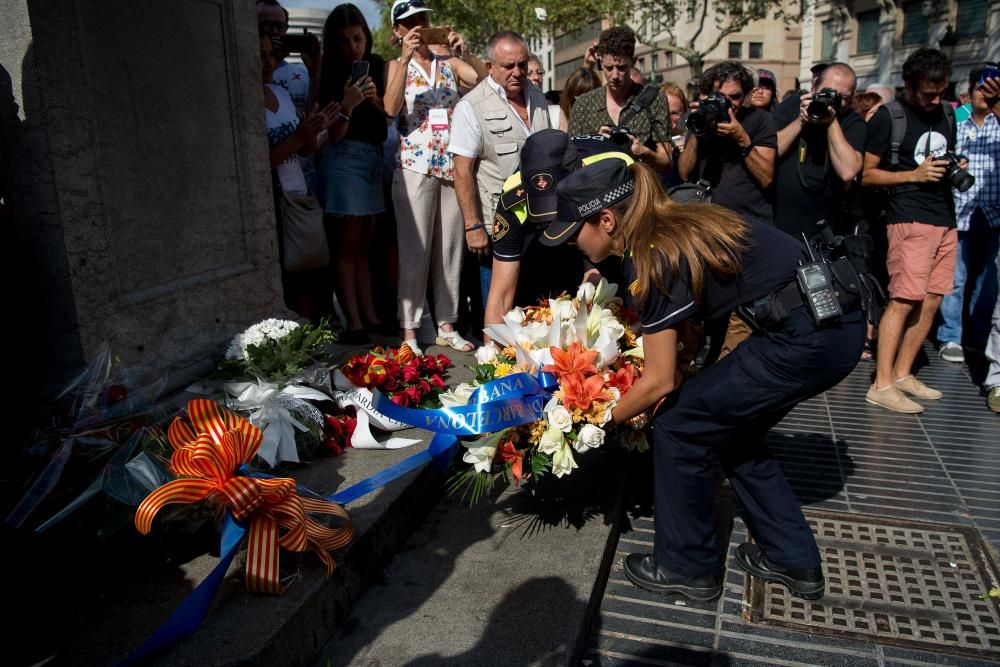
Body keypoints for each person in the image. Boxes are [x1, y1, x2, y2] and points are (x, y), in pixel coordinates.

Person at [539, 157, 864, 601]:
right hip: (830, 323)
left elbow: (659, 382)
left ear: (607, 220)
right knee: (732, 430)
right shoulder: (675, 221)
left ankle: (686, 566)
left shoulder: (653, 257)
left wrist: (594, 420)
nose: (573, 243)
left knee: (679, 425)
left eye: (576, 231)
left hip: (806, 337)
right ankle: (793, 560)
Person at [384, 0, 486, 354]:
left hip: (451, 166)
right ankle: (409, 331)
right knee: (416, 252)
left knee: (450, 250)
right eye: (409, 22)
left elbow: (486, 84)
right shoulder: (394, 66)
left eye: (423, 20)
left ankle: (447, 324)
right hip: (414, 165)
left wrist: (466, 52)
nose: (418, 27)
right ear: (397, 30)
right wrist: (403, 57)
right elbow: (390, 107)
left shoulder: (449, 63)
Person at [862, 48, 959, 413]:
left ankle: (903, 374)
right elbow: (867, 174)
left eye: (941, 92)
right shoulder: (890, 116)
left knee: (933, 298)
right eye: (927, 94)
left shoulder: (948, 113)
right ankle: (881, 383)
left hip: (945, 217)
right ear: (909, 85)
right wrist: (913, 175)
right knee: (903, 299)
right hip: (909, 217)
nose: (935, 100)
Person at [485, 131, 632, 330]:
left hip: (601, 234)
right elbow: (500, 298)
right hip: (540, 248)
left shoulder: (619, 174)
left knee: (609, 305)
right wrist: (493, 355)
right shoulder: (512, 199)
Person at [449, 31, 551, 312]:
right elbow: (462, 172)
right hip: (499, 228)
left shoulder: (539, 99)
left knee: (535, 308)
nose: (517, 72)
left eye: (522, 64)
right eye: (508, 66)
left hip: (540, 224)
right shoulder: (471, 106)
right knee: (498, 312)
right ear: (489, 66)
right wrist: (473, 226)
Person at [316, 3, 387, 344]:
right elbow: (334, 135)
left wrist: (373, 101)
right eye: (344, 41)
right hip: (344, 159)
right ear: (333, 43)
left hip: (373, 159)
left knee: (363, 245)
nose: (353, 47)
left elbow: (387, 122)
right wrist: (347, 103)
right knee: (346, 246)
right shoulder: (328, 72)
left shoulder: (375, 65)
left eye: (357, 38)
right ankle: (354, 321)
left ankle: (370, 314)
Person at [261, 35, 340, 320]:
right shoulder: (246, 102)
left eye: (271, 54)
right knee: (291, 282)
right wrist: (298, 137)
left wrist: (316, 127)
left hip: (299, 196)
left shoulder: (280, 93)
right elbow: (260, 163)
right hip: (274, 204)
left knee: (312, 272)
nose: (268, 62)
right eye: (260, 56)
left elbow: (304, 147)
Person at [936, 67, 1000, 364]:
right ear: (969, 92)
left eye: (991, 90)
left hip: (993, 216)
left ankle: (977, 335)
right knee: (956, 280)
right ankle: (950, 336)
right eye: (980, 89)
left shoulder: (998, 125)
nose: (984, 95)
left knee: (988, 283)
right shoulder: (956, 123)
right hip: (959, 213)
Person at [677, 61, 777, 225]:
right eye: (721, 97)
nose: (728, 103)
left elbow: (766, 178)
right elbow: (684, 174)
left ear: (745, 95)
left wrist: (741, 138)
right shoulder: (703, 117)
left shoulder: (760, 119)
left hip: (749, 221)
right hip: (708, 221)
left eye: (735, 97)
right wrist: (698, 128)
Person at [773, 62, 866, 238]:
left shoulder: (852, 121)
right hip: (780, 222)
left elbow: (848, 171)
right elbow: (772, 151)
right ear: (814, 86)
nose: (834, 100)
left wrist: (831, 121)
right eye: (827, 92)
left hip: (823, 228)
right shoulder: (793, 106)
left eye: (843, 97)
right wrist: (802, 120)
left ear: (853, 95)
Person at [568, 26, 672, 173]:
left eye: (622, 67)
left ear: (633, 62)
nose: (615, 75)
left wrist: (644, 153)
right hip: (599, 191)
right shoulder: (583, 105)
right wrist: (596, 144)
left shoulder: (654, 99)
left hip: (641, 189)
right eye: (609, 68)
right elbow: (569, 164)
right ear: (600, 62)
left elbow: (666, 161)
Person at [559, 67, 601, 132]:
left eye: (589, 98)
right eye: (577, 97)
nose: (582, 104)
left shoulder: (602, 121)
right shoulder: (556, 120)